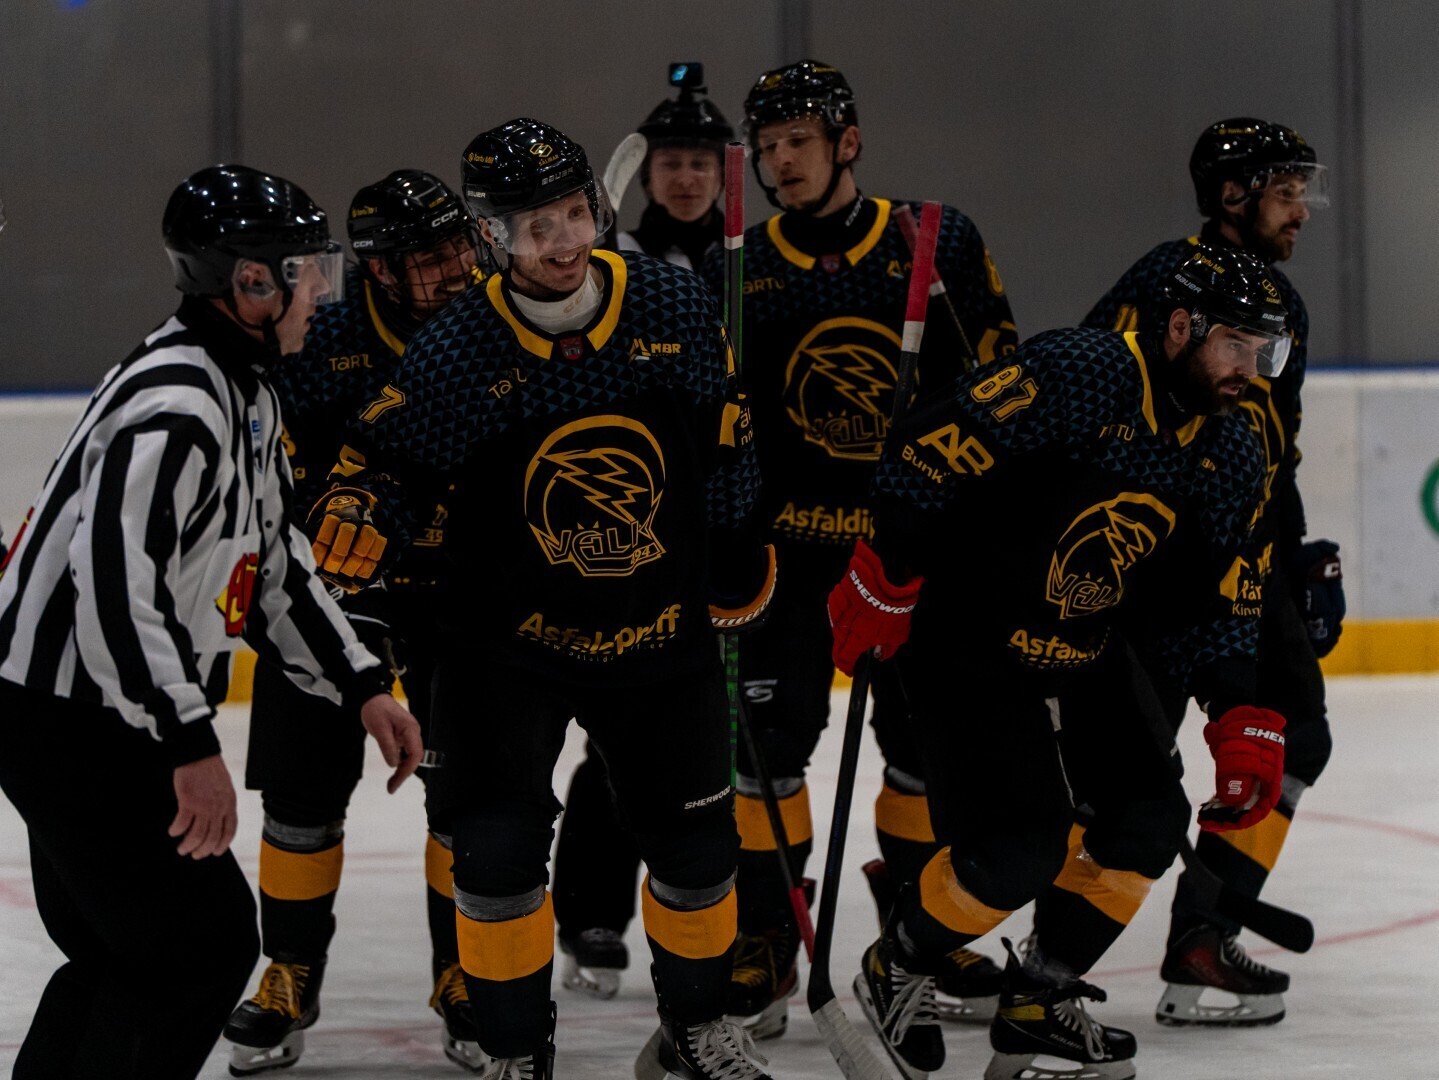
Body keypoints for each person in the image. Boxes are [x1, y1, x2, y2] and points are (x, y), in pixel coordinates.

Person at [307, 119, 776, 1080]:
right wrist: (362, 504)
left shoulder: (672, 306)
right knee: (490, 854)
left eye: (574, 215)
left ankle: (692, 1032)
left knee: (697, 847)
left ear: (598, 208)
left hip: (656, 635)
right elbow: (387, 462)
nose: (563, 244)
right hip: (504, 648)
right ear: (491, 237)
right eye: (534, 227)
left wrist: (736, 542)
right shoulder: (456, 348)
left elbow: (724, 435)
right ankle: (518, 1052)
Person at [0, 165, 422, 1080]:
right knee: (200, 948)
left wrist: (361, 685)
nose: (322, 292)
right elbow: (114, 588)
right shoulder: (178, 404)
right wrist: (188, 746)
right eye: (305, 272)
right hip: (69, 719)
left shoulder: (247, 391)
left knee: (128, 953)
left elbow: (274, 565)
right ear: (249, 282)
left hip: (88, 712)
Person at [828, 245, 1290, 1080]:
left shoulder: (1230, 448)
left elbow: (1220, 596)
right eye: (1235, 346)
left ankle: (1037, 1001)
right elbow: (926, 449)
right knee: (1018, 852)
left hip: (1083, 642)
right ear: (1179, 327)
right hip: (967, 636)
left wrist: (1236, 713)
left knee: (1146, 823)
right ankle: (897, 962)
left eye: (1265, 352)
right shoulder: (1080, 371)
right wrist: (885, 574)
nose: (1249, 372)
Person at [698, 58, 1019, 1038]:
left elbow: (998, 385)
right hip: (784, 558)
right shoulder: (735, 264)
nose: (780, 162)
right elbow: (710, 415)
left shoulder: (934, 240)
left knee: (923, 751)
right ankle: (767, 933)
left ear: (847, 141)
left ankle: (916, 934)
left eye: (798, 141)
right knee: (766, 749)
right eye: (766, 147)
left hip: (905, 548)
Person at [222, 169, 487, 1074]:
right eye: (428, 257)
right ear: (378, 270)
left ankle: (464, 972)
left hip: (466, 594)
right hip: (335, 598)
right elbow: (269, 467)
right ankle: (290, 971)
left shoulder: (501, 322)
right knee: (300, 793)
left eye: (458, 245)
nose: (456, 268)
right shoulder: (320, 336)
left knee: (467, 798)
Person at [1082, 118, 1337, 1027]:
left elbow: (1275, 450)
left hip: (1245, 561)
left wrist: (1296, 556)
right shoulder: (1165, 280)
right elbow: (1093, 398)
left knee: (1293, 738)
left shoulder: (1285, 304)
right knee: (1110, 780)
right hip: (1149, 563)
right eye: (1284, 192)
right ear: (1231, 196)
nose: (1299, 211)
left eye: (1301, 192)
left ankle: (1203, 935)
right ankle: (1031, 955)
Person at [551, 61, 737, 1005]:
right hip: (631, 523)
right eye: (670, 162)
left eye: (701, 161)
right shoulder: (610, 259)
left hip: (723, 516)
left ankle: (741, 925)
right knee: (616, 734)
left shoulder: (751, 261)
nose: (685, 177)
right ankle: (591, 913)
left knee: (714, 740)